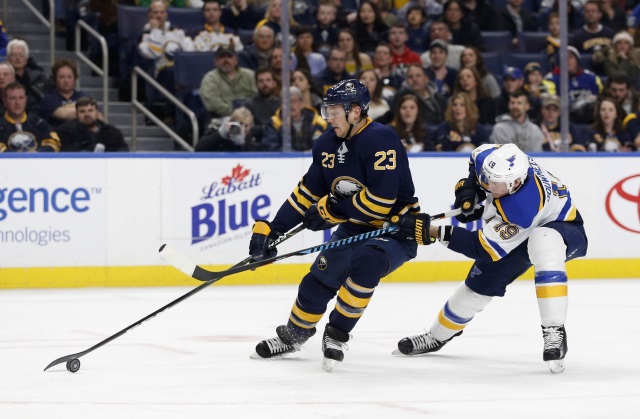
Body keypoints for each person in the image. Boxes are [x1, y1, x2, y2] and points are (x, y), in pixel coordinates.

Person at [250, 79, 421, 372]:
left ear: (355, 112)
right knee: (319, 278)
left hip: (394, 230)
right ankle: (294, 335)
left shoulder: (381, 140)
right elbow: (306, 192)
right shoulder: (325, 144)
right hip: (355, 228)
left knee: (367, 264)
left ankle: (337, 333)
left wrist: (331, 211)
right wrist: (273, 229)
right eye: (326, 109)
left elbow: (381, 201)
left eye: (334, 110)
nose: (328, 116)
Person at [390, 143, 588, 374]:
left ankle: (554, 330)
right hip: (518, 228)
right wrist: (470, 189)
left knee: (543, 241)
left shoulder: (522, 208)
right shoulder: (494, 159)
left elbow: (482, 248)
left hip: (562, 228)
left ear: (515, 184)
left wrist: (432, 231)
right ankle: (436, 336)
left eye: (495, 184)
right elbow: (476, 161)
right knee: (474, 291)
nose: (489, 185)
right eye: (488, 179)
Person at [261, 86, 328, 151]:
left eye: (294, 101)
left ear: (301, 103)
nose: (291, 105)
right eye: (287, 102)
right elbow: (271, 147)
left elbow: (327, 144)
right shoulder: (274, 123)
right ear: (281, 105)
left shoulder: (318, 122)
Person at [0, 82, 61, 152]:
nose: (17, 102)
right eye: (12, 98)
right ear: (5, 101)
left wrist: (37, 154)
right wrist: (19, 157)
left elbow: (53, 143)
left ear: (26, 100)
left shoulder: (38, 123)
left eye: (21, 98)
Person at [39, 59, 101, 128]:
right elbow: (63, 115)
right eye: (61, 77)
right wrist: (87, 113)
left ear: (75, 78)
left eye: (69, 77)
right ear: (55, 79)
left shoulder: (83, 96)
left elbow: (100, 116)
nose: (66, 81)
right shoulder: (49, 98)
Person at [199, 45, 257, 118]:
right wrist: (235, 112)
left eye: (229, 57)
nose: (226, 60)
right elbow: (212, 104)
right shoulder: (210, 78)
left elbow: (258, 96)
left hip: (251, 115)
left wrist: (247, 112)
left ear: (236, 60)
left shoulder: (250, 75)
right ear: (216, 61)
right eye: (222, 57)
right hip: (222, 118)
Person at [55, 97, 129, 152]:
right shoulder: (66, 131)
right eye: (82, 111)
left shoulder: (111, 132)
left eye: (90, 110)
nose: (87, 114)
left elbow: (123, 151)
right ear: (76, 114)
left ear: (97, 112)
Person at [6, 39, 48, 114]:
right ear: (8, 59)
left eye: (21, 55)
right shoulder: (4, 79)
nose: (17, 58)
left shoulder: (38, 77)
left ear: (26, 59)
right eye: (14, 55)